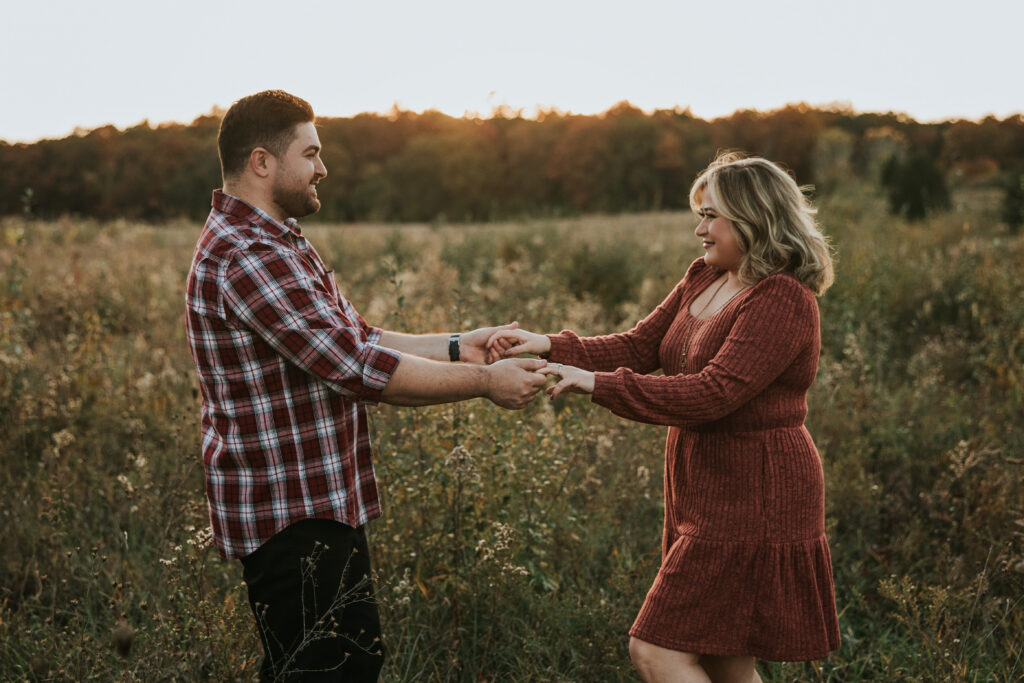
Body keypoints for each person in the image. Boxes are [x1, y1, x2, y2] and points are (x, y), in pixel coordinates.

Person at [184, 90, 547, 682]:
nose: (323, 167)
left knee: (340, 664)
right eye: (311, 152)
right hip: (289, 515)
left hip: (316, 501)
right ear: (262, 162)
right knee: (328, 671)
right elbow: (357, 368)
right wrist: (485, 381)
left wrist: (462, 343)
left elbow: (357, 336)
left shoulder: (279, 239)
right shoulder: (246, 255)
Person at [488, 152, 841, 682]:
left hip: (757, 493)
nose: (699, 229)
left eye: (711, 216)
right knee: (724, 657)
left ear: (755, 218)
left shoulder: (782, 300)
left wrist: (596, 383)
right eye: (699, 215)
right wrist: (550, 344)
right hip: (704, 485)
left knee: (657, 650)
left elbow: (713, 393)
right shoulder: (705, 276)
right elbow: (640, 344)